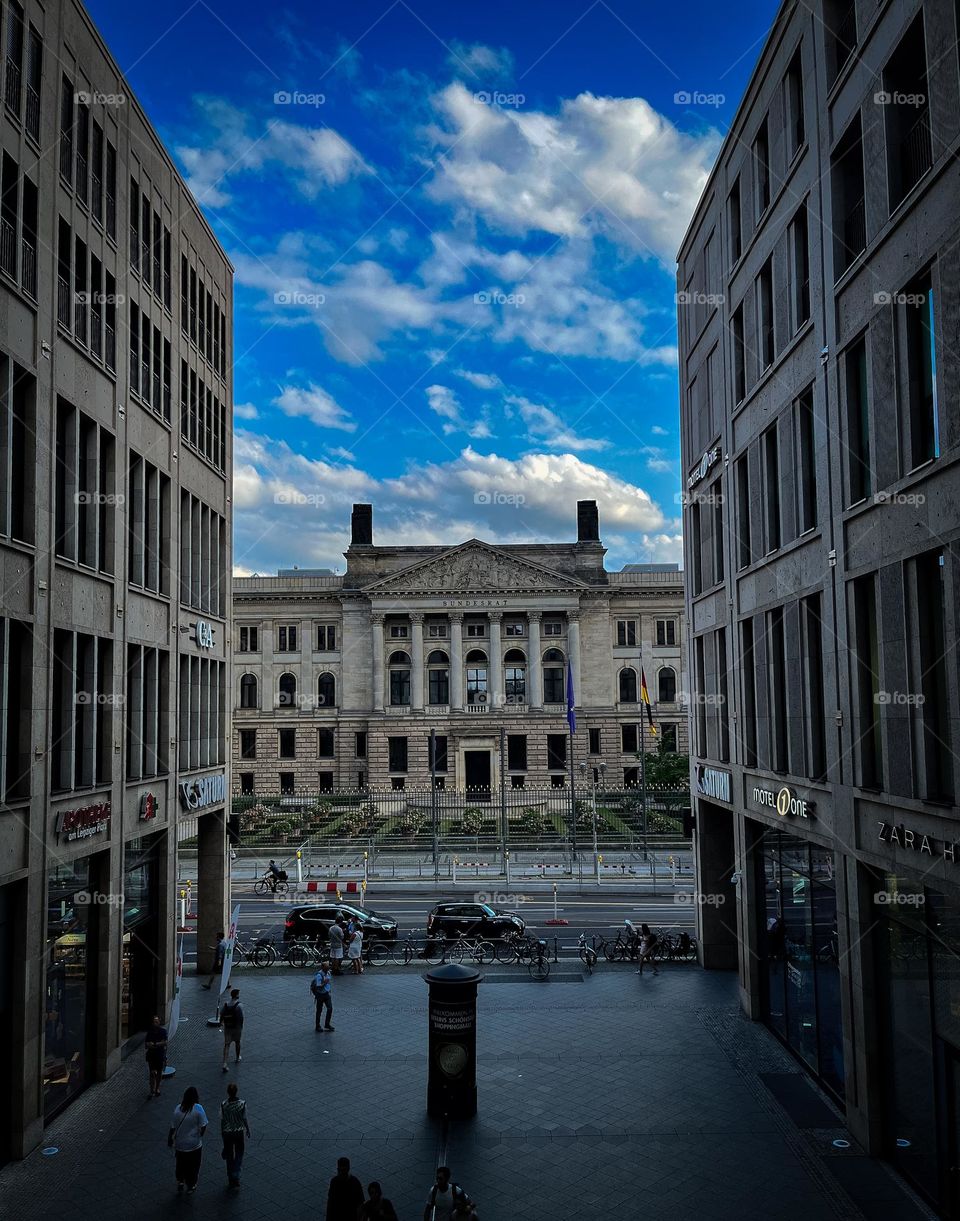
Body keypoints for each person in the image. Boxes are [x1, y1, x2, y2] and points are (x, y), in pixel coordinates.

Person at [168, 1085, 208, 1194]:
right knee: (194, 1165)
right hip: (194, 1144)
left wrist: (170, 1139)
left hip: (180, 1144)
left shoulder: (178, 1109)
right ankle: (191, 1185)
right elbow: (204, 1125)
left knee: (180, 1163)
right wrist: (200, 1135)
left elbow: (172, 1127)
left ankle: (180, 1180)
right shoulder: (198, 1109)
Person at [220, 1081, 250, 1188]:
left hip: (227, 1133)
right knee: (239, 1153)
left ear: (228, 1092)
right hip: (238, 1132)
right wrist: (248, 1129)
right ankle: (236, 1174)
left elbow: (222, 1120)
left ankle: (230, 1176)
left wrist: (222, 1133)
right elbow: (244, 1118)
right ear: (236, 1091)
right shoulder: (242, 1104)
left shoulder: (224, 1104)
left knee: (229, 1155)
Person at [326, 1156, 364, 1221]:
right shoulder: (355, 1181)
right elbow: (360, 1202)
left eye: (343, 1170)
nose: (342, 1173)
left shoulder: (334, 1181)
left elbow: (330, 1203)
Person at [144, 1014, 168, 1098]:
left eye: (157, 1022)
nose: (155, 1023)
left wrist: (154, 1044)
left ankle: (157, 1088)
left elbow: (164, 1042)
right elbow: (146, 1045)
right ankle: (152, 1090)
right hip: (151, 1055)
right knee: (152, 1073)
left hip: (160, 1054)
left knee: (159, 1072)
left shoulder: (163, 1031)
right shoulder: (150, 1032)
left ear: (159, 1022)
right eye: (154, 1022)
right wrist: (158, 1044)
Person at [220, 987, 244, 1070]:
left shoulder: (226, 1004)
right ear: (237, 995)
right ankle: (237, 1057)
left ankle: (225, 1063)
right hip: (237, 1027)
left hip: (228, 1027)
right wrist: (240, 1027)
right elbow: (241, 1018)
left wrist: (221, 1022)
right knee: (237, 1042)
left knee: (227, 1045)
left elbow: (222, 1014)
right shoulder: (239, 1005)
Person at [311, 960, 334, 1031]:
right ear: (323, 968)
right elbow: (318, 986)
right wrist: (324, 983)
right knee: (319, 1010)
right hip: (320, 995)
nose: (328, 969)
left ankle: (327, 1024)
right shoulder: (319, 975)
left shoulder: (328, 973)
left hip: (326, 994)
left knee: (330, 1008)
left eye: (328, 967)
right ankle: (317, 1026)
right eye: (327, 968)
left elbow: (328, 982)